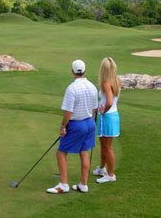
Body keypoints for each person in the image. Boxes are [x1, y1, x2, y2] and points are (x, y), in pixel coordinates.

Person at [47, 60, 98, 194]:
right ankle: (83, 184)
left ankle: (63, 185)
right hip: (90, 123)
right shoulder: (92, 86)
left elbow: (68, 112)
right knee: (84, 151)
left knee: (61, 152)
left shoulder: (72, 88)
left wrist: (63, 127)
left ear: (72, 71)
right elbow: (95, 108)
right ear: (85, 71)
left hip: (77, 124)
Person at [92, 57, 121, 183]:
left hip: (107, 118)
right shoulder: (116, 81)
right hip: (114, 116)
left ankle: (110, 175)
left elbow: (109, 101)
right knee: (104, 145)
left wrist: (103, 110)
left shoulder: (105, 83)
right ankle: (102, 168)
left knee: (107, 147)